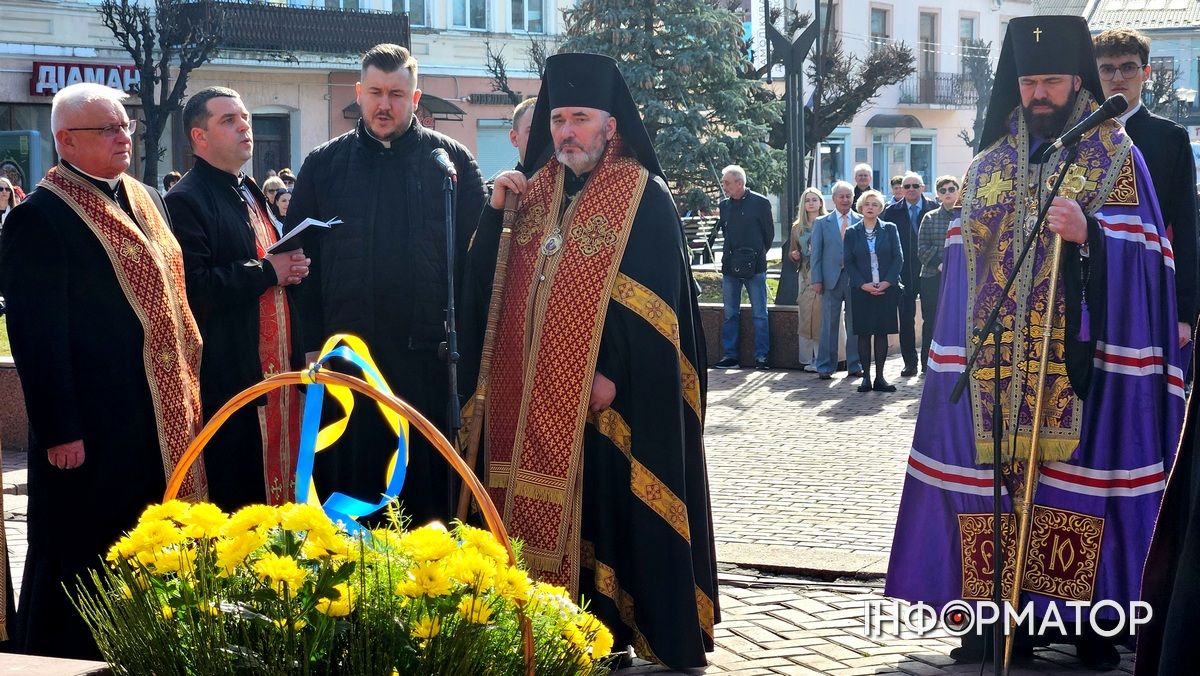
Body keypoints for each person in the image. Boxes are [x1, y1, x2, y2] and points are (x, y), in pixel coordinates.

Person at [885, 16, 1184, 670]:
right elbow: (961, 278)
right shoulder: (988, 166)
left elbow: (1151, 262)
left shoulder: (1118, 159)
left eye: (1052, 80)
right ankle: (989, 621)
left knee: (1076, 496)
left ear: (1079, 80)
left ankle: (1087, 626)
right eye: (1029, 81)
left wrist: (1091, 237)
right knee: (988, 496)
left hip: (1084, 371)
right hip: (993, 377)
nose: (1040, 93)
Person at [463, 51, 717, 670]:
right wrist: (494, 213)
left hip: (606, 402)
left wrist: (612, 376)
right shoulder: (530, 191)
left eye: (579, 117)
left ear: (611, 124)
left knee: (604, 516)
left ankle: (607, 634)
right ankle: (537, 630)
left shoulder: (641, 194)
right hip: (525, 400)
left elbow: (658, 310)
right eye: (557, 119)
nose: (565, 131)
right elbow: (480, 295)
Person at [0, 82, 206, 659]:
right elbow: (38, 337)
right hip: (94, 422)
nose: (123, 138)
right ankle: (73, 659)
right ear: (66, 141)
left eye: (126, 127)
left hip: (160, 411)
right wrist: (61, 428)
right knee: (87, 549)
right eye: (107, 130)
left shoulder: (144, 197)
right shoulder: (40, 217)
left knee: (155, 535)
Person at [286, 43, 486, 526]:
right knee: (351, 487)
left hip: (428, 363)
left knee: (425, 500)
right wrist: (311, 344)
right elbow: (299, 262)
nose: (384, 105)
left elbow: (478, 266)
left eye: (397, 94)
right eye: (375, 92)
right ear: (359, 92)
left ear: (416, 98)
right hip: (349, 359)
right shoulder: (324, 164)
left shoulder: (451, 164)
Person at [166, 86, 308, 510]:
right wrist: (269, 271)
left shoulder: (248, 190)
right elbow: (195, 285)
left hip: (280, 370)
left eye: (244, 117)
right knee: (241, 500)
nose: (244, 126)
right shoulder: (184, 199)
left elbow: (264, 262)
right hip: (233, 375)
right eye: (228, 120)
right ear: (199, 137)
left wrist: (292, 268)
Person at [1095, 29, 1197, 352]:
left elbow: (1186, 228)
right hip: (1093, 286)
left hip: (1150, 282)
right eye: (1107, 68)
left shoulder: (1171, 138)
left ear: (1146, 73)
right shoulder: (1079, 137)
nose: (1117, 77)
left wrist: (1184, 314)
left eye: (1128, 67)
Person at [712, 164, 773, 369]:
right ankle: (731, 356)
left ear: (740, 183)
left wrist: (755, 255)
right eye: (723, 183)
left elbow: (768, 235)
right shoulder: (724, 206)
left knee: (759, 313)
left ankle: (762, 356)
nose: (724, 187)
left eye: (727, 183)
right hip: (730, 267)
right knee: (729, 313)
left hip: (755, 267)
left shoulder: (761, 203)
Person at [844, 190, 902, 393]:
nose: (870, 207)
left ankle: (880, 377)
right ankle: (866, 378)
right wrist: (862, 284)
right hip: (862, 290)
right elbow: (849, 262)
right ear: (860, 207)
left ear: (881, 208)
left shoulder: (890, 229)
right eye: (867, 204)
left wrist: (887, 282)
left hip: (885, 289)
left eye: (875, 204)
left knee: (881, 332)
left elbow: (898, 258)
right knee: (863, 333)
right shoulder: (852, 232)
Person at [882, 171, 936, 377]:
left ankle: (926, 362)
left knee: (930, 318)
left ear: (923, 188)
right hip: (903, 272)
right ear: (900, 190)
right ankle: (910, 363)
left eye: (915, 186)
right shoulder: (891, 211)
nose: (911, 190)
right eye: (907, 187)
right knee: (906, 318)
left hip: (928, 270)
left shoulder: (933, 208)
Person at [810, 181, 863, 380]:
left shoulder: (860, 220)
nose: (845, 200)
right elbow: (816, 254)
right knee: (829, 325)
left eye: (848, 196)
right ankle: (825, 366)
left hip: (855, 280)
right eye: (841, 196)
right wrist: (816, 279)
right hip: (829, 279)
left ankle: (854, 364)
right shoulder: (822, 223)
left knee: (854, 324)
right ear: (833, 199)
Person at [915, 175, 960, 372]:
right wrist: (939, 264)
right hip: (932, 276)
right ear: (938, 195)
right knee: (931, 320)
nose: (948, 193)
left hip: (958, 277)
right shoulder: (930, 217)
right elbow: (922, 248)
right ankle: (927, 364)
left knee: (956, 318)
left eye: (951, 189)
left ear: (958, 190)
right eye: (943, 191)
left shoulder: (965, 216)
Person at [790, 187, 825, 370]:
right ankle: (807, 358)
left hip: (823, 274)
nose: (811, 203)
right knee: (805, 314)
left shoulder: (827, 222)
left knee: (820, 314)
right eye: (808, 200)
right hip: (805, 274)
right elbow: (792, 252)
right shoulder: (797, 227)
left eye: (814, 199)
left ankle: (822, 357)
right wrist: (794, 255)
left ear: (820, 202)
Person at [509, 96, 536, 170]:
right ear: (514, 138)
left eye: (549, 132)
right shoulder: (504, 181)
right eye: (532, 132)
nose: (542, 138)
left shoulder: (569, 180)